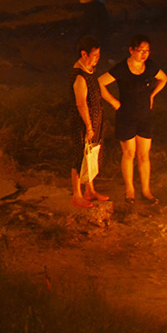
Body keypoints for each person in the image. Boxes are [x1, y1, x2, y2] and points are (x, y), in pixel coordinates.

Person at [98, 35, 167, 204]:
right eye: (140, 50)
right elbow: (100, 82)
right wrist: (114, 102)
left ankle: (146, 191)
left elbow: (164, 78)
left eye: (147, 50)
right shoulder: (122, 68)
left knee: (144, 155)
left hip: (144, 116)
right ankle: (130, 190)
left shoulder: (150, 66)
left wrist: (152, 95)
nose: (144, 54)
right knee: (129, 153)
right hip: (126, 116)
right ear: (131, 50)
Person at [70, 35, 115, 209]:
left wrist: (112, 102)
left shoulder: (90, 69)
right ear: (84, 54)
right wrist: (88, 125)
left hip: (94, 119)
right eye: (94, 55)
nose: (97, 58)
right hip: (83, 122)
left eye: (98, 55)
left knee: (92, 154)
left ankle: (90, 190)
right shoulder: (80, 76)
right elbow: (81, 103)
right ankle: (77, 194)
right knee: (80, 156)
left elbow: (96, 90)